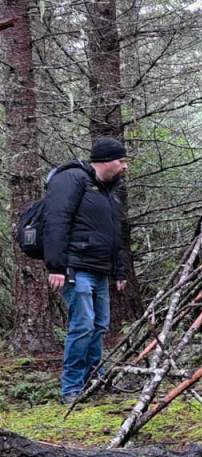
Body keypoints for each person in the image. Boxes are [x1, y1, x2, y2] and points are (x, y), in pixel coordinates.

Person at [43, 137, 129, 405]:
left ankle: (96, 380)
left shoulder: (105, 191)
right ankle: (71, 388)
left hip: (99, 270)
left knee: (100, 325)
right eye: (121, 160)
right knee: (82, 325)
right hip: (74, 268)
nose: (124, 166)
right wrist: (56, 265)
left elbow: (114, 235)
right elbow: (56, 220)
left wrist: (119, 271)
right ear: (105, 160)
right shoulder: (72, 179)